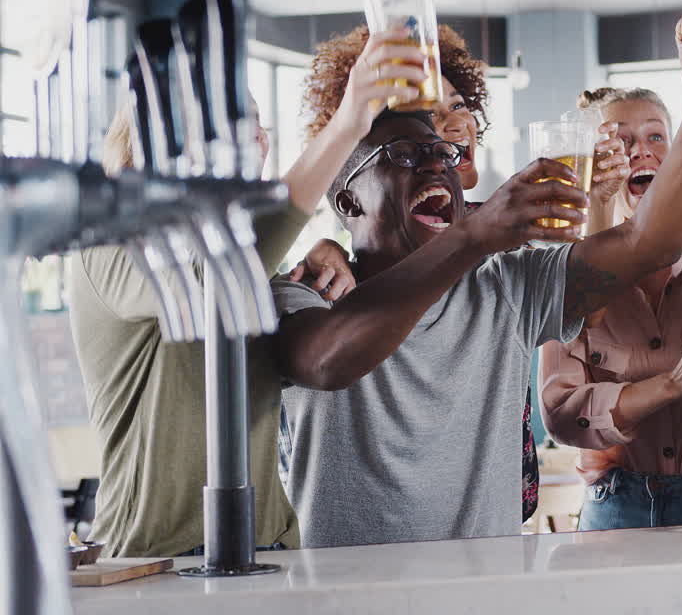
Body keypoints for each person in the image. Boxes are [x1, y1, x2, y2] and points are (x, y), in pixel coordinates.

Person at [269, 10, 682, 547]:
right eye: (403, 154)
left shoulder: (507, 284)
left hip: (487, 593)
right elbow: (327, 362)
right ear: (346, 197)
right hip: (343, 600)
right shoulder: (305, 292)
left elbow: (650, 242)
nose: (434, 165)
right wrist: (477, 234)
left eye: (442, 151)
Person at [68, 28, 426, 557]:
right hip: (157, 558)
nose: (255, 137)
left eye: (257, 123)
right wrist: (349, 121)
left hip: (266, 547)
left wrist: (303, 275)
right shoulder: (113, 239)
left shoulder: (249, 261)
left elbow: (238, 295)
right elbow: (212, 280)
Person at [292, 23, 555, 524]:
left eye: (459, 106)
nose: (448, 126)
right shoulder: (331, 273)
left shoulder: (496, 239)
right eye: (429, 115)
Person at [538, 87, 682, 531]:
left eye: (656, 137)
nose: (640, 151)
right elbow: (562, 412)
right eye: (620, 141)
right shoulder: (563, 272)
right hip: (616, 505)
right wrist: (669, 384)